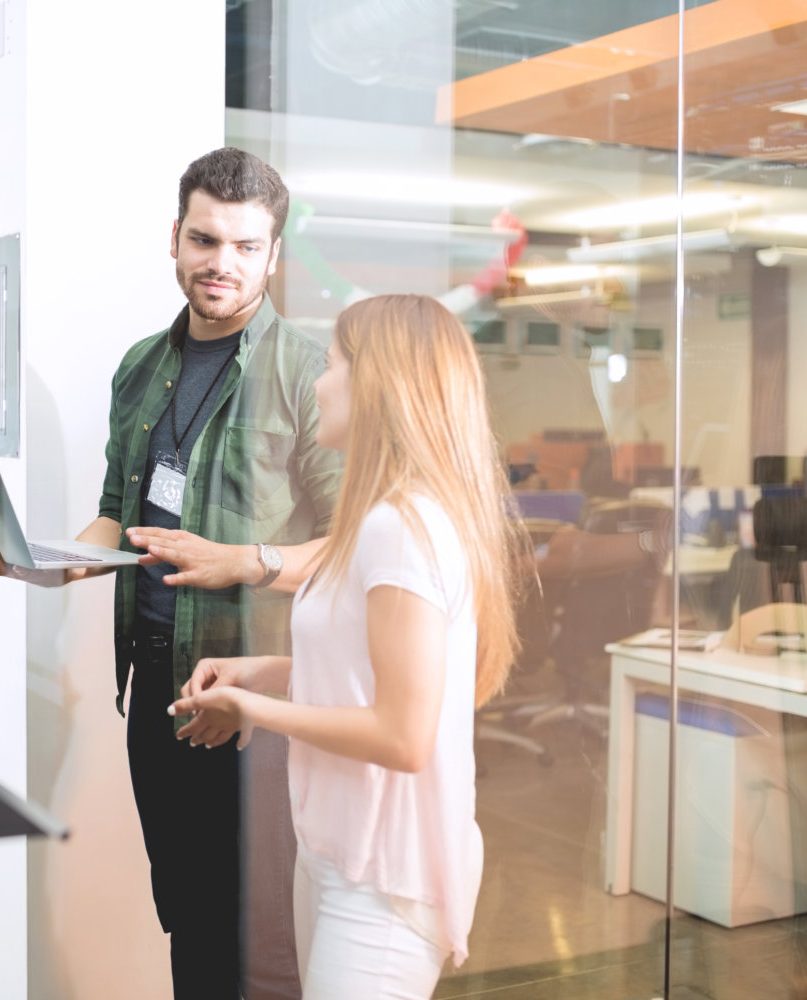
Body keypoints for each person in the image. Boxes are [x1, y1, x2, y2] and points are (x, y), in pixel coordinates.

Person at [0, 148, 342, 1000]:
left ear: (273, 256)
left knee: (256, 932)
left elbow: (351, 541)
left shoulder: (307, 373)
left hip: (254, 694)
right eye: (206, 239)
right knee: (184, 907)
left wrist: (246, 561)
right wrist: (54, 564)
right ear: (175, 238)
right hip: (155, 683)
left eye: (246, 247)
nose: (222, 263)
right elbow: (119, 510)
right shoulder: (141, 365)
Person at [168, 294, 525, 999]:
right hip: (336, 850)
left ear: (377, 386)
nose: (317, 383)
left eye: (331, 366)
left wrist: (255, 708)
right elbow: (372, 673)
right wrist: (265, 674)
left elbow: (402, 734)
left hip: (384, 876)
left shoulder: (403, 528)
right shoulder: (380, 521)